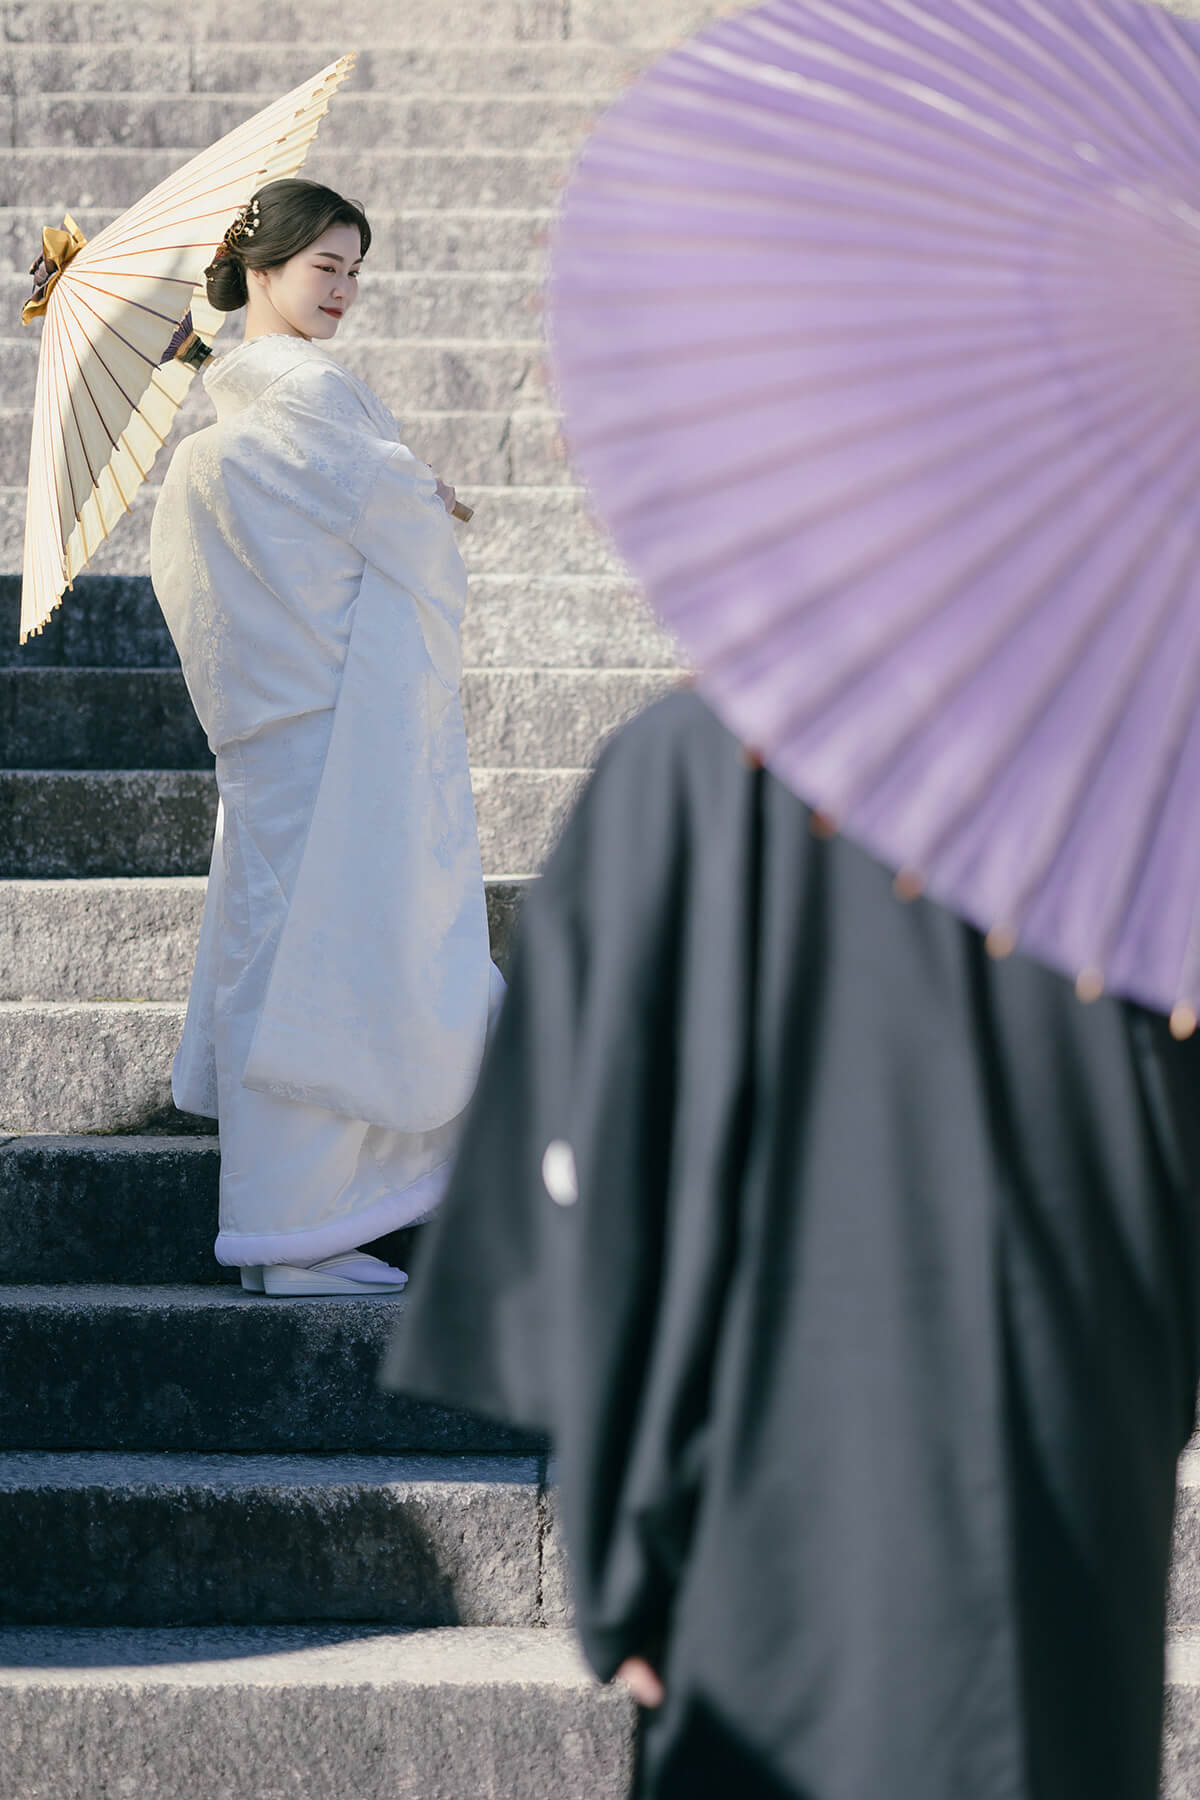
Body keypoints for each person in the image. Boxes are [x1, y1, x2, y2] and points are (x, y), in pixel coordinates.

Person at [385, 687, 1200, 1799]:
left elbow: (590, 1210)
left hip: (757, 1553)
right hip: (1070, 1526)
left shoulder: (691, 768)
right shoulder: (1154, 796)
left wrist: (624, 1565)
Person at [151, 178, 501, 1298]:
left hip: (274, 732)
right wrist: (430, 500)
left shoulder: (236, 405)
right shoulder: (304, 390)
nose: (346, 290)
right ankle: (295, 1236)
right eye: (327, 268)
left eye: (356, 271)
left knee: (282, 962)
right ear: (265, 268)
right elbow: (390, 519)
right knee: (338, 961)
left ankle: (281, 1232)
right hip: (332, 726)